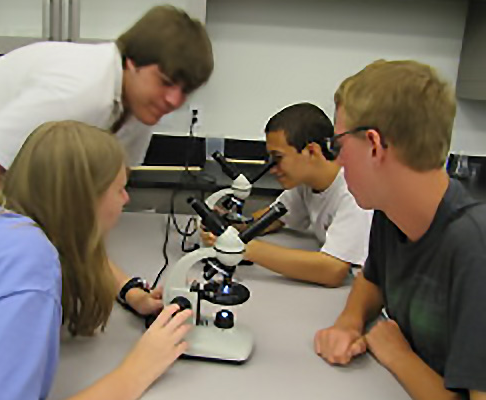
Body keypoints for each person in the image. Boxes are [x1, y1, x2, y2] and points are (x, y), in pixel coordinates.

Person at [0, 121, 193, 400]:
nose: (126, 200)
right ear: (84, 201)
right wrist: (137, 370)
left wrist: (131, 292)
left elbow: (80, 249)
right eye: (120, 189)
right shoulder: (28, 271)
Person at [0, 4, 214, 243]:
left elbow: (108, 190)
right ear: (131, 62)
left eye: (185, 91)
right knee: (2, 273)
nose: (174, 101)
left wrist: (125, 288)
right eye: (165, 83)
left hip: (12, 172)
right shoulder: (80, 90)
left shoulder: (143, 103)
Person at [314, 60, 486, 400]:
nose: (338, 161)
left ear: (375, 145)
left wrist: (397, 355)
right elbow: (373, 278)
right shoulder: (390, 212)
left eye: (340, 146)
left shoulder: (474, 248)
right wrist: (349, 321)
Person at [201, 103, 373, 287]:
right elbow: (272, 219)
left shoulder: (354, 191)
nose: (272, 169)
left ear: (311, 151)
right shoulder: (306, 184)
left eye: (278, 158)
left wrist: (242, 248)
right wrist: (228, 225)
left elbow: (332, 271)